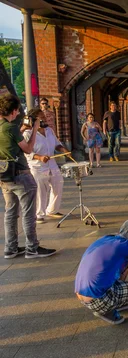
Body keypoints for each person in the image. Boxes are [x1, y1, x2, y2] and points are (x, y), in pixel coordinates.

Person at [74, 216, 128, 324]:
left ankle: (110, 305)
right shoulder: (124, 245)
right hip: (98, 299)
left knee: (125, 269)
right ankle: (107, 310)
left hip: (83, 296)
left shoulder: (108, 238)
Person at [0, 94, 57, 259]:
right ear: (13, 110)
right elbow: (29, 149)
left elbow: (9, 141)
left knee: (10, 211)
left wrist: (23, 130)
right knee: (28, 212)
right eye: (17, 111)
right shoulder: (10, 127)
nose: (18, 115)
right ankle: (32, 247)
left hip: (4, 175)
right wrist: (34, 129)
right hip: (20, 175)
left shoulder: (5, 127)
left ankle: (10, 248)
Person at [23, 108, 69, 223]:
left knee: (58, 183)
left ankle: (52, 210)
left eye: (44, 117)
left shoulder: (49, 130)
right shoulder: (27, 134)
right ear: (34, 120)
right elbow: (26, 152)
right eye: (41, 117)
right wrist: (39, 157)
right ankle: (39, 214)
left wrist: (63, 150)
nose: (45, 119)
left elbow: (57, 144)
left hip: (52, 165)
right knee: (41, 191)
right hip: (37, 167)